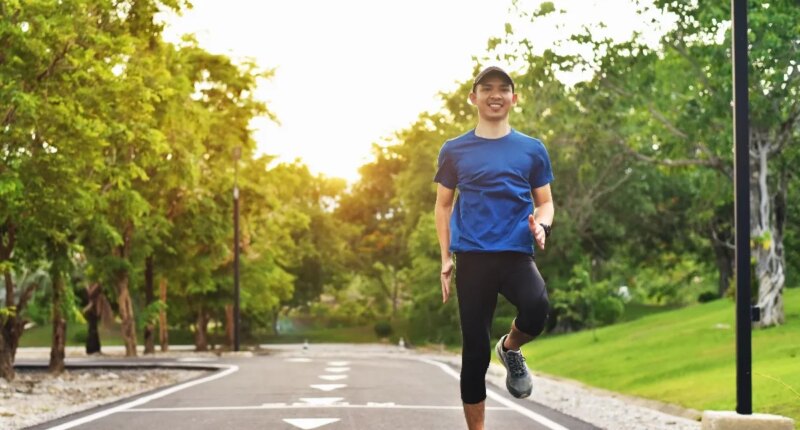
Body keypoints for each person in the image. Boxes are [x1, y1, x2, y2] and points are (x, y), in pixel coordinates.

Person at [433, 66, 554, 430]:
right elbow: (443, 205)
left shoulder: (532, 149)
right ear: (474, 98)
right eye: (487, 88)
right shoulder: (454, 150)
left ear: (514, 99)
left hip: (516, 253)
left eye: (503, 88)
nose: (495, 94)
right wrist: (445, 257)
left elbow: (545, 202)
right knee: (474, 354)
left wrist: (543, 226)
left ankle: (511, 347)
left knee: (537, 306)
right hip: (473, 258)